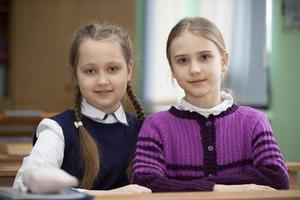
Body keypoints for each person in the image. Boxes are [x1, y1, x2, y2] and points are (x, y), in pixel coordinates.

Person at [132, 17, 289, 192]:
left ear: (224, 61)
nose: (194, 69)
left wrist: (191, 187)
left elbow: (276, 177)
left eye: (204, 57)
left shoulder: (254, 121)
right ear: (172, 69)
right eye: (182, 60)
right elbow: (145, 184)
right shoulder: (156, 126)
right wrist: (217, 189)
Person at [13, 22, 151, 195]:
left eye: (113, 69)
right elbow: (22, 189)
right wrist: (111, 195)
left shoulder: (147, 129)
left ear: (129, 70)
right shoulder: (57, 129)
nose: (102, 80)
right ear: (76, 75)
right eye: (90, 71)